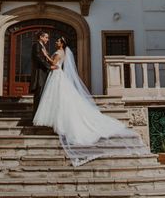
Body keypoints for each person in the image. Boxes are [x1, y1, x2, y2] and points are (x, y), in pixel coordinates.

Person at [33, 37, 148, 166]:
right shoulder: (63, 52)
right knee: (59, 99)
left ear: (62, 44)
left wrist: (45, 56)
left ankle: (59, 122)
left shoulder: (59, 53)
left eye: (58, 41)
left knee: (58, 99)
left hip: (57, 75)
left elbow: (54, 65)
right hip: (58, 76)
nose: (55, 42)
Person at [29, 31, 53, 118]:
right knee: (38, 95)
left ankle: (41, 116)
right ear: (41, 37)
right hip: (39, 73)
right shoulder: (36, 45)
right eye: (46, 37)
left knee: (42, 95)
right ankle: (35, 117)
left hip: (44, 73)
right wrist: (49, 67)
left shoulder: (44, 46)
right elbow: (38, 58)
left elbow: (45, 58)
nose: (48, 39)